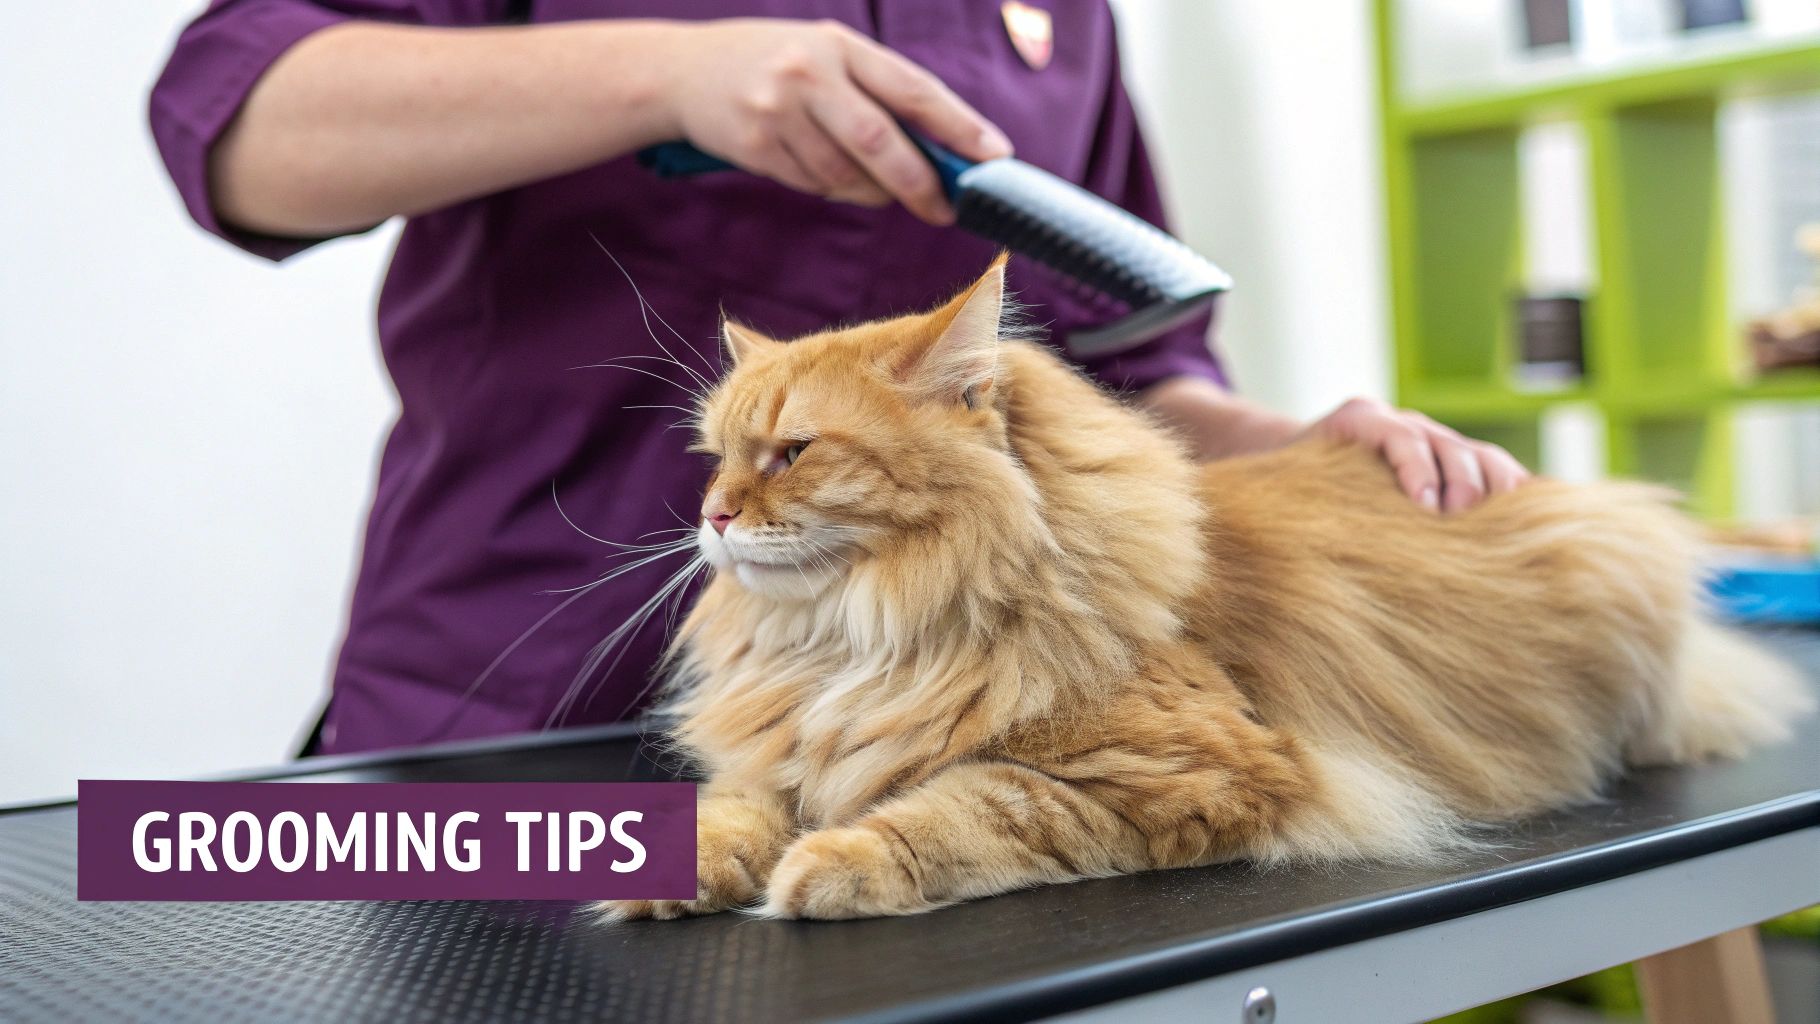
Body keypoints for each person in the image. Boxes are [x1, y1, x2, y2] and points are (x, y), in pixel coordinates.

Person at [150, 1, 1528, 757]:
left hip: (926, 746)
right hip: (521, 714)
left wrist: (1305, 450)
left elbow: (1120, 377)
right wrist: (669, 73)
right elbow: (233, 129)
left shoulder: (1062, 17)